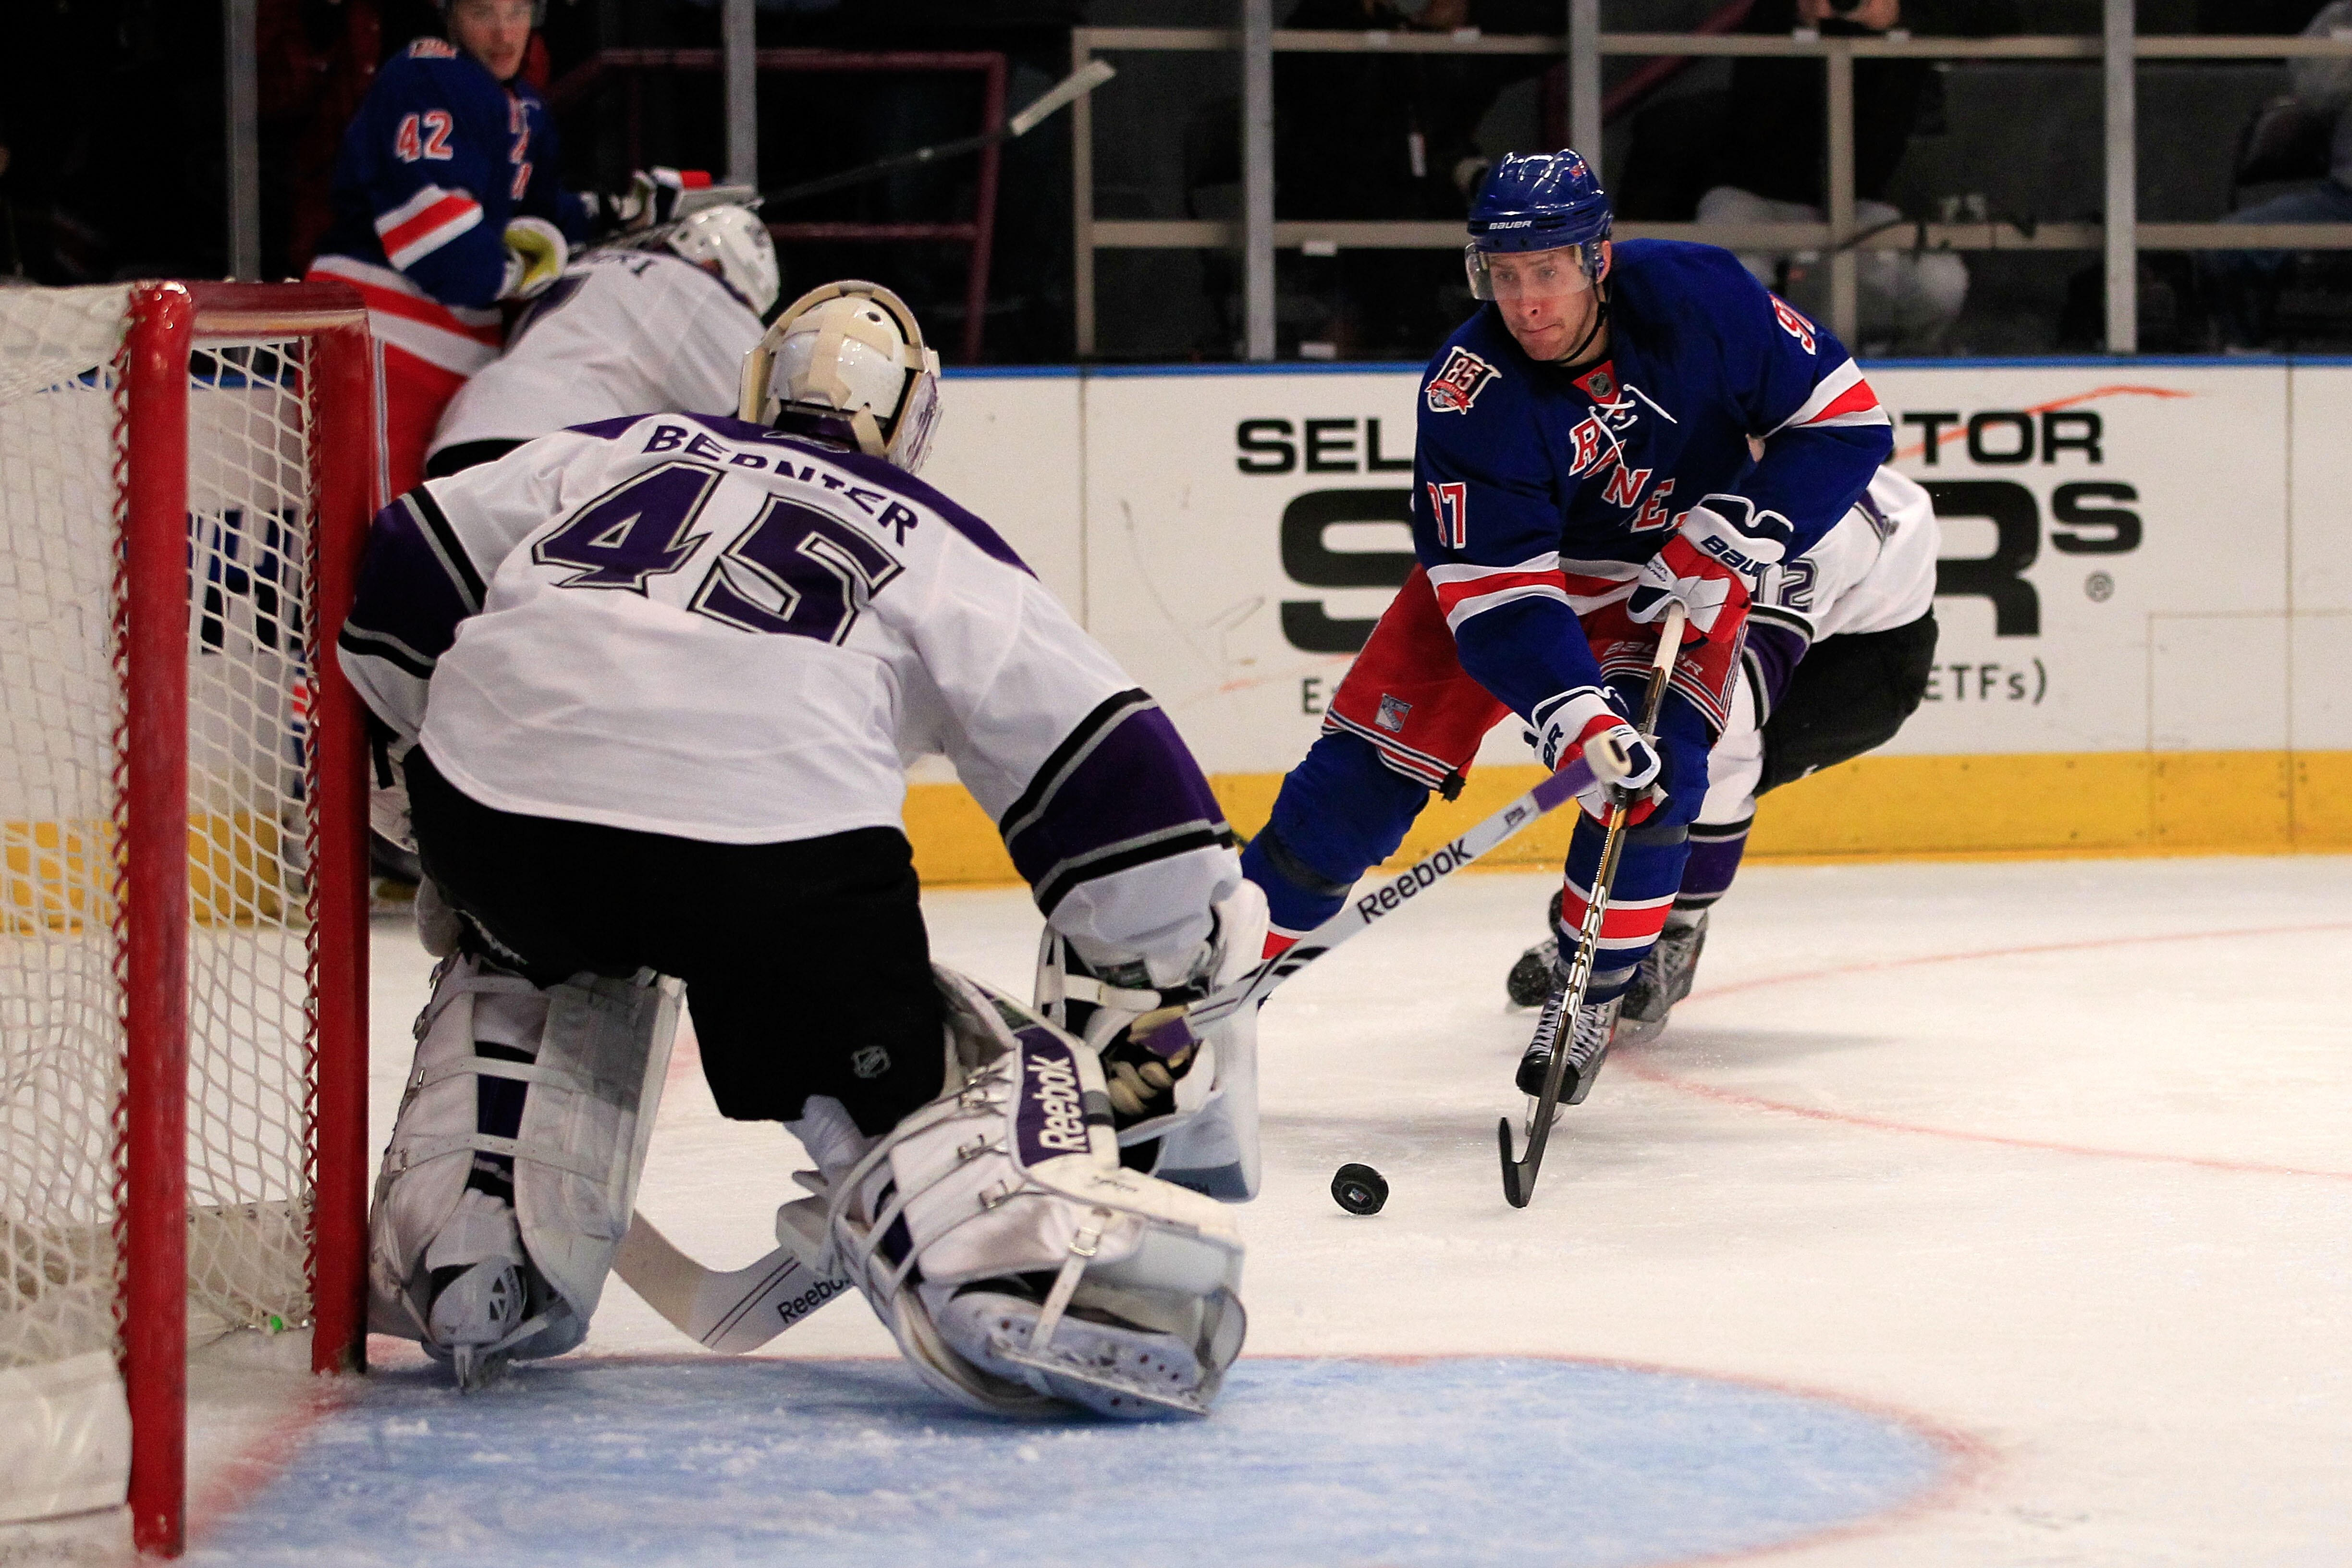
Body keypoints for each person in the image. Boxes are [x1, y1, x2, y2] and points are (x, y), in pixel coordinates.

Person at [335, 280, 1265, 1417]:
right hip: (762, 866)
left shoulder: (615, 449)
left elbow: (407, 553)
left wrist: (419, 756)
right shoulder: (939, 542)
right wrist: (1182, 946)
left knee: (522, 943)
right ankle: (975, 1238)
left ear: (756, 383)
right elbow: (1115, 778)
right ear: (912, 417)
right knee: (930, 1063)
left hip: (496, 822)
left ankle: (469, 1243)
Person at [1237, 150, 1892, 1107]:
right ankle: (1202, 995)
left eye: (1546, 272)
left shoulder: (1700, 295)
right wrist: (1572, 713)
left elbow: (1844, 421)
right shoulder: (1469, 390)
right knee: (1348, 797)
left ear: (1597, 259)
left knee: (1654, 780)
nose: (1526, 302)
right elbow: (1497, 598)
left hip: (1670, 577)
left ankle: (1590, 993)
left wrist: (1751, 522)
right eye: (1504, 276)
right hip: (1512, 586)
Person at [1505, 464, 1941, 1042]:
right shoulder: (1668, 451)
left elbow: (1732, 702)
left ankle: (1674, 933)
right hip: (1756, 596)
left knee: (1716, 751)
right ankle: (1630, 914)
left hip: (1857, 664)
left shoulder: (1813, 520)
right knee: (1649, 733)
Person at [306, 0, 592, 498]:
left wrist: (609, 213)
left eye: (518, 12)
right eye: (484, 13)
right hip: (381, 340)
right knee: (368, 527)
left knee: (425, 532)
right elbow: (439, 242)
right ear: (448, 13)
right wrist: (515, 274)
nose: (505, 35)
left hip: (461, 353)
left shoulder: (523, 103)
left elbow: (534, 211)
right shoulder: (427, 76)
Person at [1696, 0, 2021, 355]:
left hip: (1859, 203)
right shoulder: (1775, 16)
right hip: (1753, 195)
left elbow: (2001, 18)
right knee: (1728, 280)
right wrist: (1803, 15)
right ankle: (1745, 390)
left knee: (1939, 282)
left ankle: (1895, 383)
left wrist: (1902, 14)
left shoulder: (1899, 18)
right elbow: (1757, 117)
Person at [425, 201, 781, 477]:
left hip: (464, 429)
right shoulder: (692, 285)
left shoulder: (589, 264)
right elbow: (766, 409)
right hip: (561, 442)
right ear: (716, 267)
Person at [2197, 0, 2352, 348]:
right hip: (2344, 202)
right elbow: (2314, 93)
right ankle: (2248, 364)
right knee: (2225, 247)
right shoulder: (2343, 18)